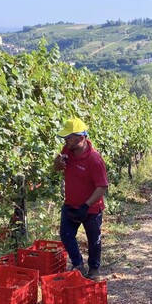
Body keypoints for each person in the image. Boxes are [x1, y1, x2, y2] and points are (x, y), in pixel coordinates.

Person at [53, 117, 109, 280]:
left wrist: (86, 205)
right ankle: (78, 264)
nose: (65, 140)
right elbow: (57, 169)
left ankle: (94, 269)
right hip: (70, 205)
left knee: (94, 241)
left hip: (91, 208)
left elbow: (102, 186)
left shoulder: (94, 159)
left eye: (68, 137)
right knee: (66, 235)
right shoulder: (67, 151)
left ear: (80, 137)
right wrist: (57, 162)